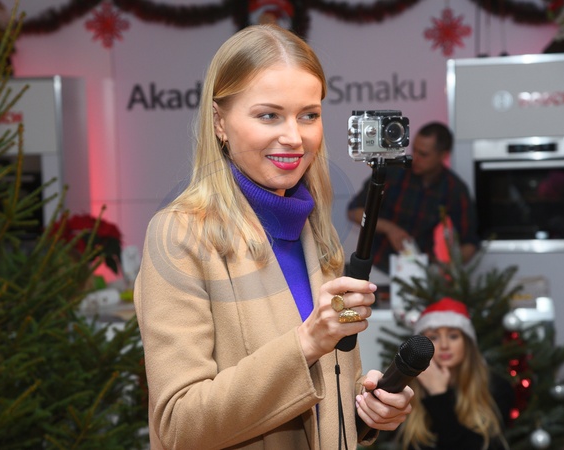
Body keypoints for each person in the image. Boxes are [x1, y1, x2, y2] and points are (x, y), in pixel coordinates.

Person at [134, 24, 414, 449]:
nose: (294, 137)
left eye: (309, 115)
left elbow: (323, 401)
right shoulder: (180, 235)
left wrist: (367, 409)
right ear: (220, 122)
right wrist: (306, 343)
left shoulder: (317, 233)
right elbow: (179, 425)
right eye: (269, 115)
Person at [346, 122, 479, 275]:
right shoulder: (393, 172)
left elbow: (470, 242)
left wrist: (447, 267)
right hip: (378, 267)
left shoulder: (455, 189)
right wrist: (389, 228)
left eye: (423, 154)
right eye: (414, 150)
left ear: (443, 156)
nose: (415, 158)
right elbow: (354, 211)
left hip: (425, 275)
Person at [398, 298, 513, 450]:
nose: (444, 345)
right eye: (434, 337)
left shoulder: (496, 387)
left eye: (453, 336)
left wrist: (438, 395)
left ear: (467, 342)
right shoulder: (407, 389)